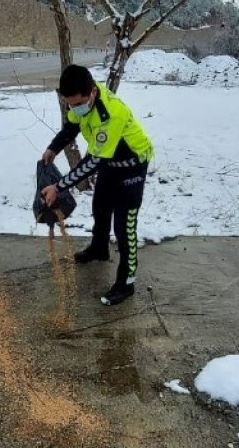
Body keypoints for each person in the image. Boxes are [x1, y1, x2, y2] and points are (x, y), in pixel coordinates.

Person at [41, 65, 154, 306]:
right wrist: (53, 147)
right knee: (100, 207)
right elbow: (71, 126)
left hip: (132, 166)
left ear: (91, 93)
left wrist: (58, 187)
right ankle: (99, 248)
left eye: (77, 104)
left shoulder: (110, 114)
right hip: (109, 162)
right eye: (69, 104)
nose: (74, 109)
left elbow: (92, 162)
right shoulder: (82, 103)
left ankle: (126, 283)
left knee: (125, 227)